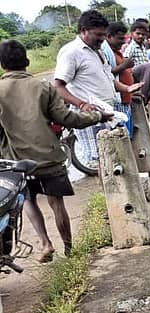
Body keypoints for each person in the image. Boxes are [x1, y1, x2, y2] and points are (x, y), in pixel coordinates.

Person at [0, 40, 112, 261]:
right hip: (49, 157)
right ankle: (69, 250)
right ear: (27, 61)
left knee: (29, 201)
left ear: (2, 65)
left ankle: (45, 243)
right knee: (56, 203)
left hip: (17, 162)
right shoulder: (44, 87)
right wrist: (97, 116)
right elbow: (66, 118)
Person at [54, 10, 142, 168]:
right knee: (101, 161)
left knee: (114, 159)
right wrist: (82, 104)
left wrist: (127, 89)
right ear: (83, 31)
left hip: (107, 110)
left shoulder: (98, 50)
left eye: (104, 34)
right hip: (89, 114)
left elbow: (108, 78)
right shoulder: (71, 52)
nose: (102, 38)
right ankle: (108, 192)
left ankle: (116, 193)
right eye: (98, 34)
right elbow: (59, 86)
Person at [103, 22, 135, 137]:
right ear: (109, 36)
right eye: (120, 38)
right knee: (122, 136)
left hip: (125, 99)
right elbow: (105, 75)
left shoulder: (115, 51)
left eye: (124, 38)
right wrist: (124, 66)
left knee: (128, 135)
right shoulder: (104, 52)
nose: (123, 41)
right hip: (117, 100)